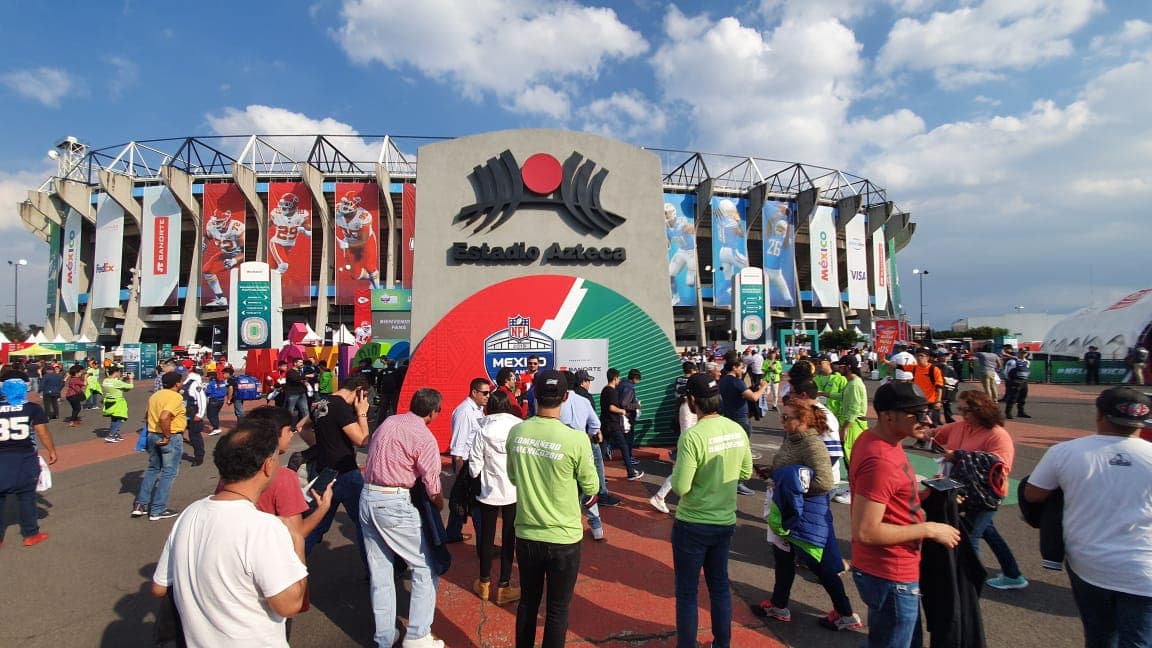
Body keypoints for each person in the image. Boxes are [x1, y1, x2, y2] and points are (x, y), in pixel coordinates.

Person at [151, 417, 309, 646]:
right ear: (267, 465)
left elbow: (159, 587)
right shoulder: (264, 527)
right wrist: (298, 547)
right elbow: (290, 604)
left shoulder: (190, 513)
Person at [1023, 387, 1152, 646]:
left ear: (1099, 415)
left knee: (1099, 636)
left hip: (1089, 563)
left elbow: (1033, 494)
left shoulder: (1065, 452)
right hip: (1145, 570)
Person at [850, 382, 961, 648]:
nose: (926, 419)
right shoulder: (880, 461)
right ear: (888, 415)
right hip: (890, 572)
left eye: (926, 411)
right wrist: (930, 529)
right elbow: (866, 531)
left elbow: (890, 500)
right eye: (916, 413)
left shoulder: (880, 440)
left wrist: (928, 495)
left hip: (889, 570)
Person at [507, 370, 600, 648]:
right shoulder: (576, 440)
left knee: (528, 603)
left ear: (534, 393)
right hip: (564, 538)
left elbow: (513, 477)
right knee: (557, 610)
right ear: (566, 396)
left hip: (527, 533)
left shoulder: (518, 431)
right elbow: (592, 486)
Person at [757, 395, 861, 631]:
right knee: (783, 559)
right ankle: (779, 605)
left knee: (820, 565)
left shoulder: (812, 444)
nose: (782, 421)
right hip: (788, 511)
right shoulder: (793, 438)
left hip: (806, 514)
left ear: (803, 419)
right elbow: (789, 469)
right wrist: (771, 472)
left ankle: (846, 613)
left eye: (786, 417)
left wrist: (787, 486)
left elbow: (824, 482)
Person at [670, 373, 753, 648]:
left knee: (687, 592)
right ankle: (722, 643)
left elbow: (681, 486)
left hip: (692, 522)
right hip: (725, 520)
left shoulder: (692, 437)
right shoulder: (737, 429)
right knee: (719, 586)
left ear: (692, 401)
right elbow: (746, 471)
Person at [360, 388, 448, 648]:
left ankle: (384, 637)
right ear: (432, 412)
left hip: (368, 496)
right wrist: (440, 505)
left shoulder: (390, 421)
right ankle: (418, 635)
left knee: (381, 573)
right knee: (424, 567)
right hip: (394, 500)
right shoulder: (425, 438)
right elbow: (432, 485)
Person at [927, 389, 1026, 590]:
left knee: (971, 538)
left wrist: (960, 456)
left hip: (985, 495)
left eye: (966, 410)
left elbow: (1002, 466)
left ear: (981, 410)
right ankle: (1013, 574)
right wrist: (922, 426)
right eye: (960, 409)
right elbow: (935, 434)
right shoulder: (960, 426)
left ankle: (969, 584)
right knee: (987, 532)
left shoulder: (997, 435)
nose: (962, 415)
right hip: (962, 492)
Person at [224, 407, 334, 538]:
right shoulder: (283, 477)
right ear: (273, 434)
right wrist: (323, 507)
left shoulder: (229, 473)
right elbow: (297, 532)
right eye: (288, 430)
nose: (291, 434)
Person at [304, 375, 372, 562]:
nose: (364, 401)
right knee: (364, 523)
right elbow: (362, 440)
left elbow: (303, 427)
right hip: (345, 472)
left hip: (325, 471)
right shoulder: (341, 407)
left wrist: (320, 447)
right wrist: (362, 414)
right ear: (358, 390)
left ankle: (295, 560)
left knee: (317, 522)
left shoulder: (320, 403)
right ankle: (373, 569)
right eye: (364, 396)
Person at [469, 389, 522, 604]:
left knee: (486, 537)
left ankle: (483, 583)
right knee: (509, 538)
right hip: (513, 490)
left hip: (488, 491)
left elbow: (474, 466)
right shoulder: (517, 427)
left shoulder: (482, 429)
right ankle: (503, 586)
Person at [0, 379, 56, 548]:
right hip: (23, 457)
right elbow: (42, 431)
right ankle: (30, 534)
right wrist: (51, 450)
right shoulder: (32, 408)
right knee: (26, 496)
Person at [559, 370, 608, 541]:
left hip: (562, 450)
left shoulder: (556, 403)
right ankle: (596, 527)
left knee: (565, 488)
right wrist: (587, 436)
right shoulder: (584, 401)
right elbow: (595, 423)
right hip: (582, 448)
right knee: (588, 487)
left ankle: (568, 527)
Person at [132, 372, 188, 521]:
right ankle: (158, 509)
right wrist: (167, 435)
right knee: (169, 472)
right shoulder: (176, 397)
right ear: (177, 383)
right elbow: (164, 416)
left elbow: (147, 415)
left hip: (152, 434)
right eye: (181, 381)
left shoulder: (155, 396)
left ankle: (140, 504)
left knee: (153, 469)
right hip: (169, 436)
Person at [446, 377, 490, 545]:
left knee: (461, 500)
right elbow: (458, 443)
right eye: (485, 393)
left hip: (470, 462)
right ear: (474, 392)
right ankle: (483, 544)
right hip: (465, 462)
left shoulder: (478, 409)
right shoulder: (464, 412)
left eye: (489, 393)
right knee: (476, 503)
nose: (488, 396)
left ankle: (452, 532)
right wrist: (459, 469)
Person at [651, 362, 698, 513]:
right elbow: (686, 429)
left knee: (685, 472)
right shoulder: (686, 406)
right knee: (681, 472)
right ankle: (659, 497)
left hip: (688, 442)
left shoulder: (683, 397)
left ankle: (663, 497)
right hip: (689, 443)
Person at [719, 359, 767, 496]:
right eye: (740, 367)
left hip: (728, 417)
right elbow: (753, 397)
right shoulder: (736, 382)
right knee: (742, 451)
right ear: (734, 367)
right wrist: (763, 387)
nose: (742, 370)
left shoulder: (723, 380)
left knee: (730, 450)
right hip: (739, 419)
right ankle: (738, 482)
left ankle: (728, 479)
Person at [599, 368, 643, 481]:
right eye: (618, 378)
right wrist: (622, 411)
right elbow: (612, 407)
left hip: (605, 423)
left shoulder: (605, 390)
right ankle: (631, 473)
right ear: (615, 378)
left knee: (602, 450)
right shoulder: (612, 391)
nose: (619, 380)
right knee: (623, 446)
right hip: (613, 424)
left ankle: (599, 476)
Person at [334, 191, 382, 289]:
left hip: (367, 242)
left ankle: (378, 290)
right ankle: (371, 278)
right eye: (345, 203)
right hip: (350, 241)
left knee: (370, 266)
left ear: (355, 205)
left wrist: (346, 245)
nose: (345, 206)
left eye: (348, 204)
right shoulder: (337, 210)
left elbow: (363, 241)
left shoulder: (363, 216)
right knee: (355, 275)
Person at [268, 192, 312, 275]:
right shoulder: (276, 213)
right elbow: (266, 225)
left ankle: (272, 283)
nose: (283, 207)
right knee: (283, 266)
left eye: (286, 204)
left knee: (274, 268)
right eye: (282, 204)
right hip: (277, 243)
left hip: (288, 247)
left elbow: (311, 232)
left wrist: (304, 231)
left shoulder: (301, 215)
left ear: (293, 206)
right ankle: (273, 283)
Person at [664, 202, 697, 305]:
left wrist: (690, 228)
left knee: (690, 283)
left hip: (691, 253)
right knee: (669, 275)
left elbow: (690, 228)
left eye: (666, 213)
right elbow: (668, 241)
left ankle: (691, 272)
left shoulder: (681, 221)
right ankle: (675, 297)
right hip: (681, 251)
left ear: (672, 213)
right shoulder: (665, 225)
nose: (664, 215)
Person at [182, 369, 208, 466]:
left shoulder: (195, 384)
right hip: (182, 414)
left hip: (193, 414)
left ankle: (199, 457)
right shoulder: (183, 383)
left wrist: (200, 414)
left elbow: (202, 399)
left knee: (194, 436)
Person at [100, 366, 133, 443]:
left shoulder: (105, 381)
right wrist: (131, 378)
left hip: (109, 402)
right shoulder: (117, 382)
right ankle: (111, 435)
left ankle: (115, 434)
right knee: (121, 418)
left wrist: (121, 379)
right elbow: (131, 386)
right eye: (119, 372)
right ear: (116, 372)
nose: (120, 373)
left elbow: (115, 385)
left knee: (114, 418)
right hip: (118, 402)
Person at [1003, 349, 1033, 419]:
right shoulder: (1012, 362)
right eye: (1021, 353)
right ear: (1018, 353)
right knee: (1012, 398)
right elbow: (1006, 372)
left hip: (1024, 382)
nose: (1023, 354)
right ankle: (1008, 413)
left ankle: (1021, 412)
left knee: (1022, 398)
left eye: (1024, 353)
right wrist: (1010, 381)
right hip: (1015, 381)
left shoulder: (1027, 362)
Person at [203, 370, 228, 436]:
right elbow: (225, 391)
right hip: (221, 400)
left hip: (214, 400)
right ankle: (215, 428)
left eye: (208, 377)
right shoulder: (222, 382)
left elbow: (208, 392)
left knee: (210, 415)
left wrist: (204, 390)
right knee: (215, 414)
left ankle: (216, 428)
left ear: (211, 377)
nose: (207, 378)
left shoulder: (211, 383)